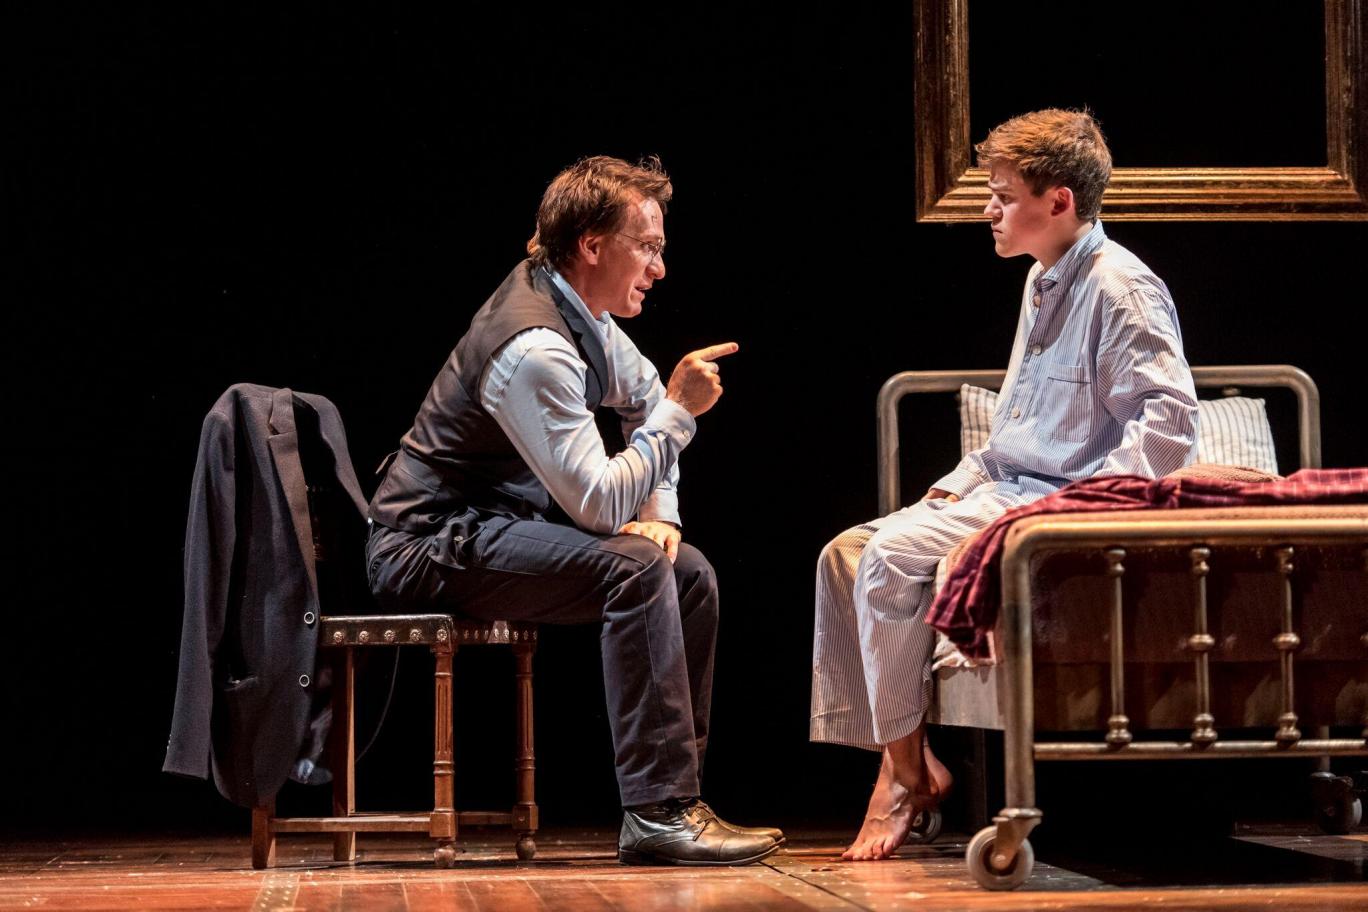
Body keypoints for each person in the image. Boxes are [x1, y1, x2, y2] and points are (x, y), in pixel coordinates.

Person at [366, 155, 783, 866]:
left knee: (686, 572)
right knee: (635, 569)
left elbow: (645, 399)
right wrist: (681, 415)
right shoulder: (535, 347)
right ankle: (656, 813)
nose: (659, 268)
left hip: (495, 528)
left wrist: (663, 515)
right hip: (424, 542)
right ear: (591, 246)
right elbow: (598, 504)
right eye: (646, 247)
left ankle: (678, 800)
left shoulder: (582, 314)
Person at [809, 109, 1200, 861]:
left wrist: (1083, 506)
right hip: (1010, 484)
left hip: (1053, 501)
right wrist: (958, 482)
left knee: (889, 557)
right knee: (843, 555)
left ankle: (899, 783)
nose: (988, 209)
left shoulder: (1121, 287)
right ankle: (906, 761)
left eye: (1003, 195)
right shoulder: (1041, 280)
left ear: (1059, 201)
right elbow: (1019, 425)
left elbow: (1169, 424)